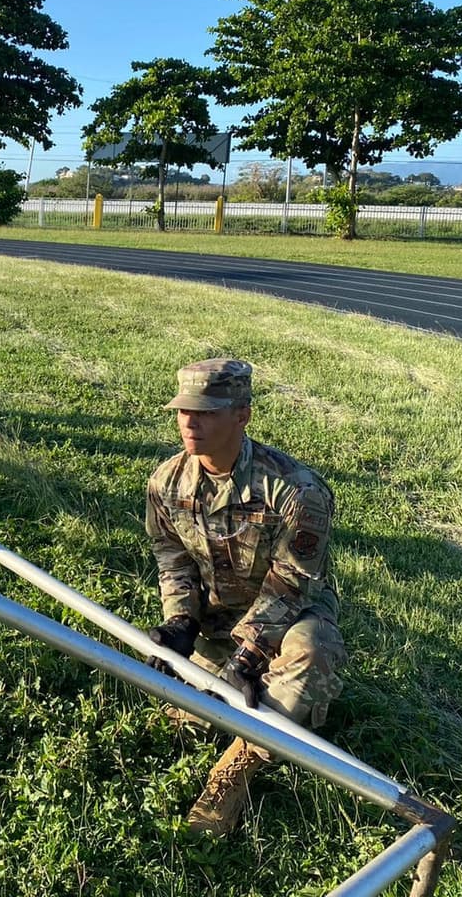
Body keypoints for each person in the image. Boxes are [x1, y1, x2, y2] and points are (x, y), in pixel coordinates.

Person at [143, 358, 345, 836]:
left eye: (207, 412)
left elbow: (293, 583)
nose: (191, 423)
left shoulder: (297, 490)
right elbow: (173, 562)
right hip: (215, 620)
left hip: (289, 615)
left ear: (242, 415)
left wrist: (248, 656)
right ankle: (218, 699)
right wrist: (179, 624)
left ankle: (236, 769)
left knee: (312, 655)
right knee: (193, 712)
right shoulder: (165, 483)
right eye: (184, 411)